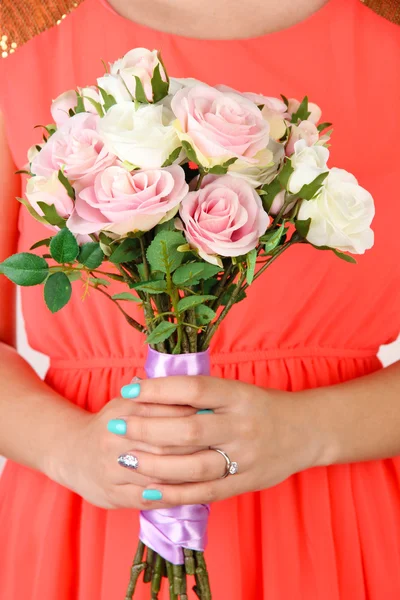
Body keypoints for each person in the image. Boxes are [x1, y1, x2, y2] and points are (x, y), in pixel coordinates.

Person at [1, 0, 400, 598]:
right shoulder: (20, 37)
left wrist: (309, 431)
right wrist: (64, 449)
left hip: (335, 507)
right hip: (84, 511)